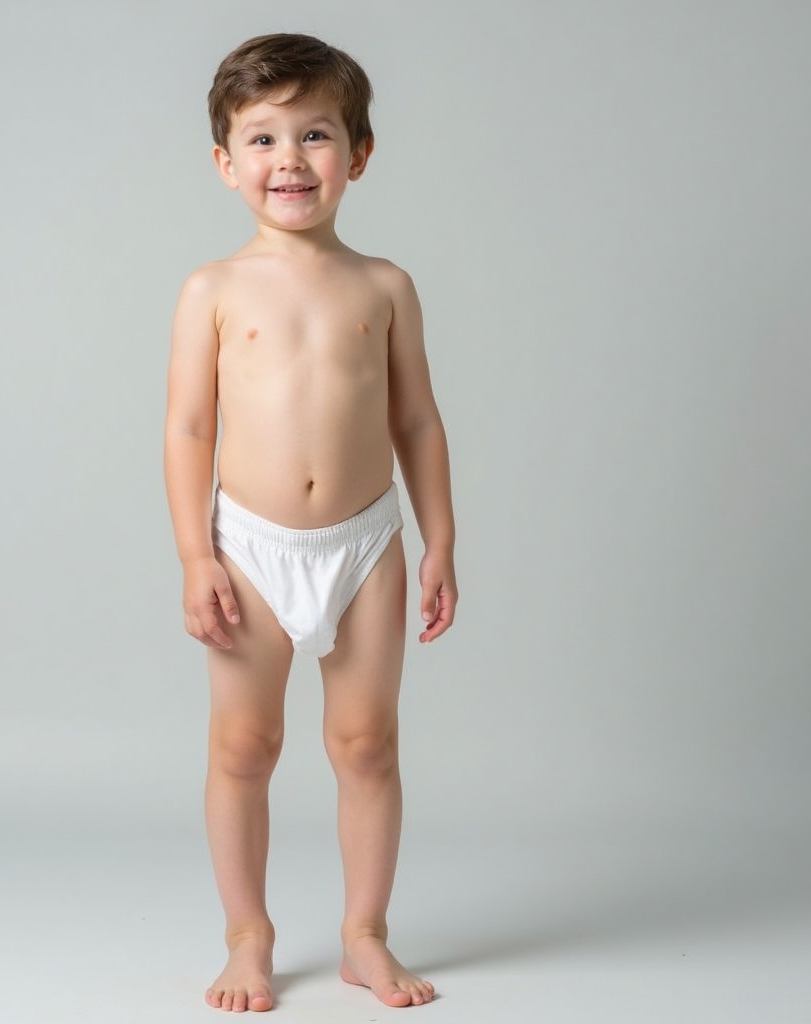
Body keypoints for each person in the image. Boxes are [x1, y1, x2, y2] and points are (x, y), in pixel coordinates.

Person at [164, 32, 457, 1013]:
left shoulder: (384, 287)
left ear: (358, 153)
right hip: (246, 546)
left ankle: (363, 933)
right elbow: (187, 428)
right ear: (224, 162)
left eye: (316, 134)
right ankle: (248, 935)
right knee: (243, 747)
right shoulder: (211, 290)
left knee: (367, 742)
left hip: (366, 542)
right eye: (262, 138)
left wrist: (440, 539)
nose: (289, 160)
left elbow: (415, 419)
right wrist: (194, 554)